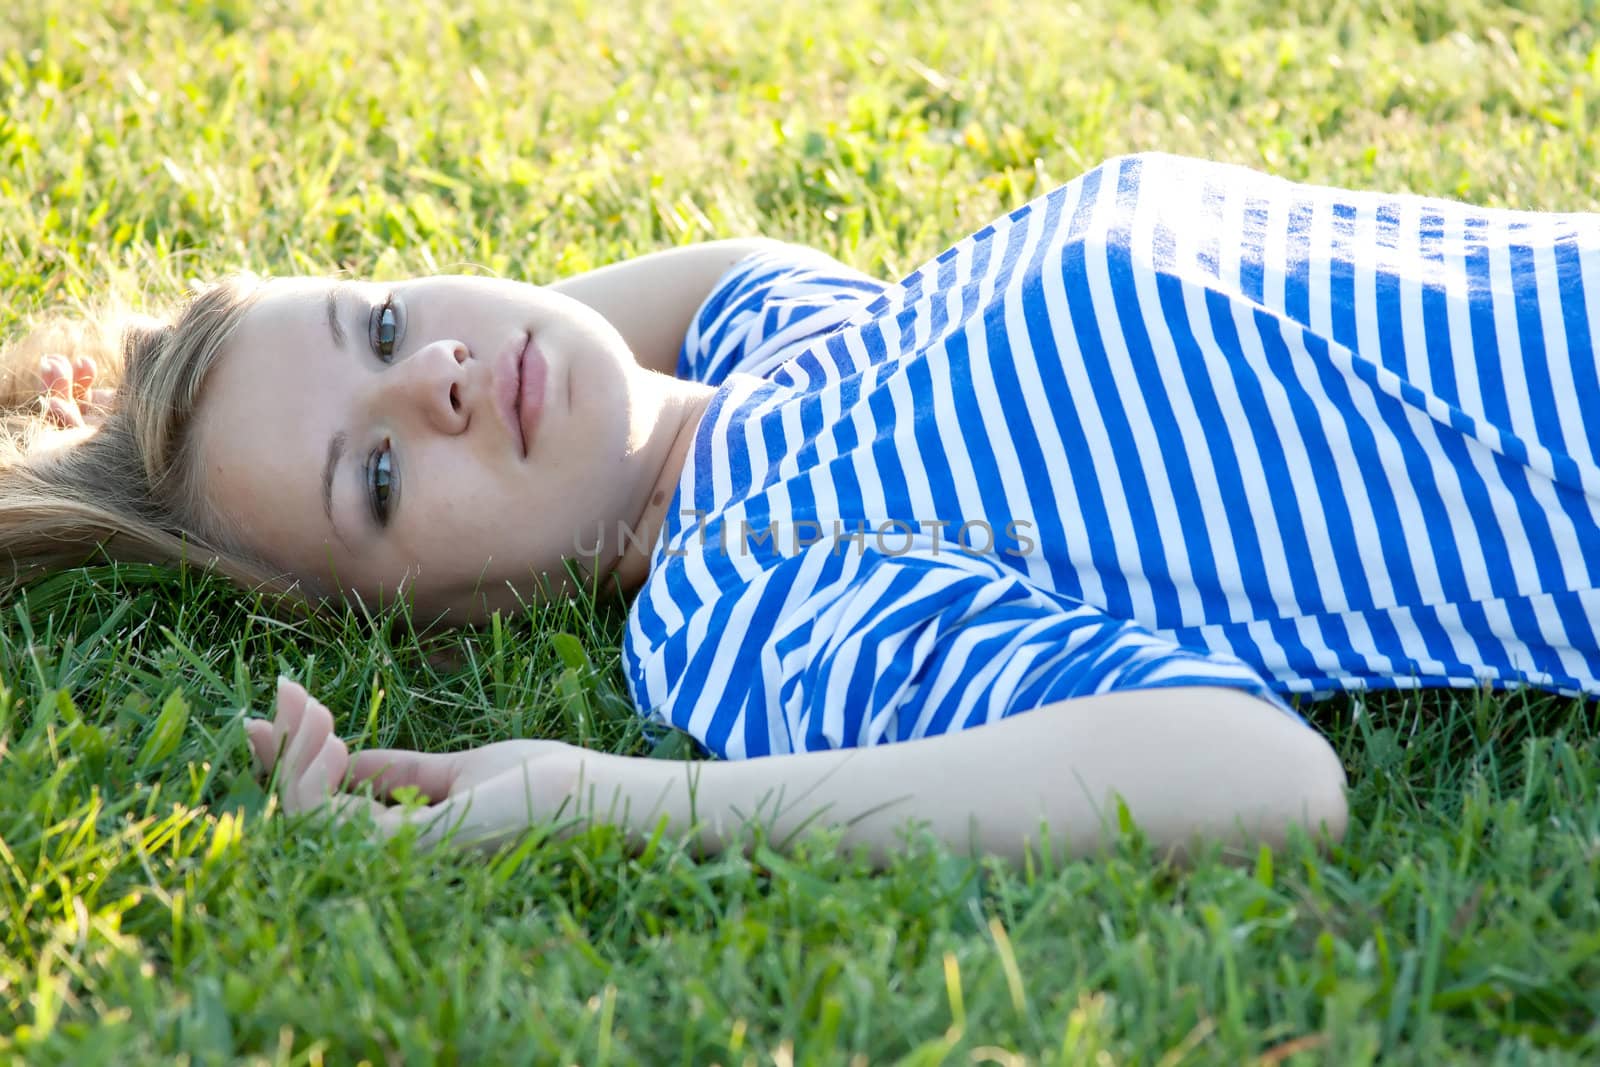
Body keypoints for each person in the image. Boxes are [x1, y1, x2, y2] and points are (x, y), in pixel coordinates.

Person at [14, 151, 1599, 865]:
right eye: (375, 479)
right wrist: (596, 797)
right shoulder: (756, 594)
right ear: (445, 612)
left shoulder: (785, 344)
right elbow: (1265, 782)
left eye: (374, 320)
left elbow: (680, 288)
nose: (436, 374)